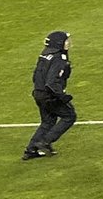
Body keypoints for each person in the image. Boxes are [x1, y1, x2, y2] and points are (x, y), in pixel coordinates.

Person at [22, 31, 75, 160]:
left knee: (48, 121)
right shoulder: (58, 58)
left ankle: (31, 150)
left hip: (38, 93)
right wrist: (61, 96)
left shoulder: (45, 54)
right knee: (69, 116)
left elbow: (35, 75)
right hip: (49, 94)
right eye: (66, 41)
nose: (68, 43)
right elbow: (52, 82)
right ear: (58, 43)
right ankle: (45, 142)